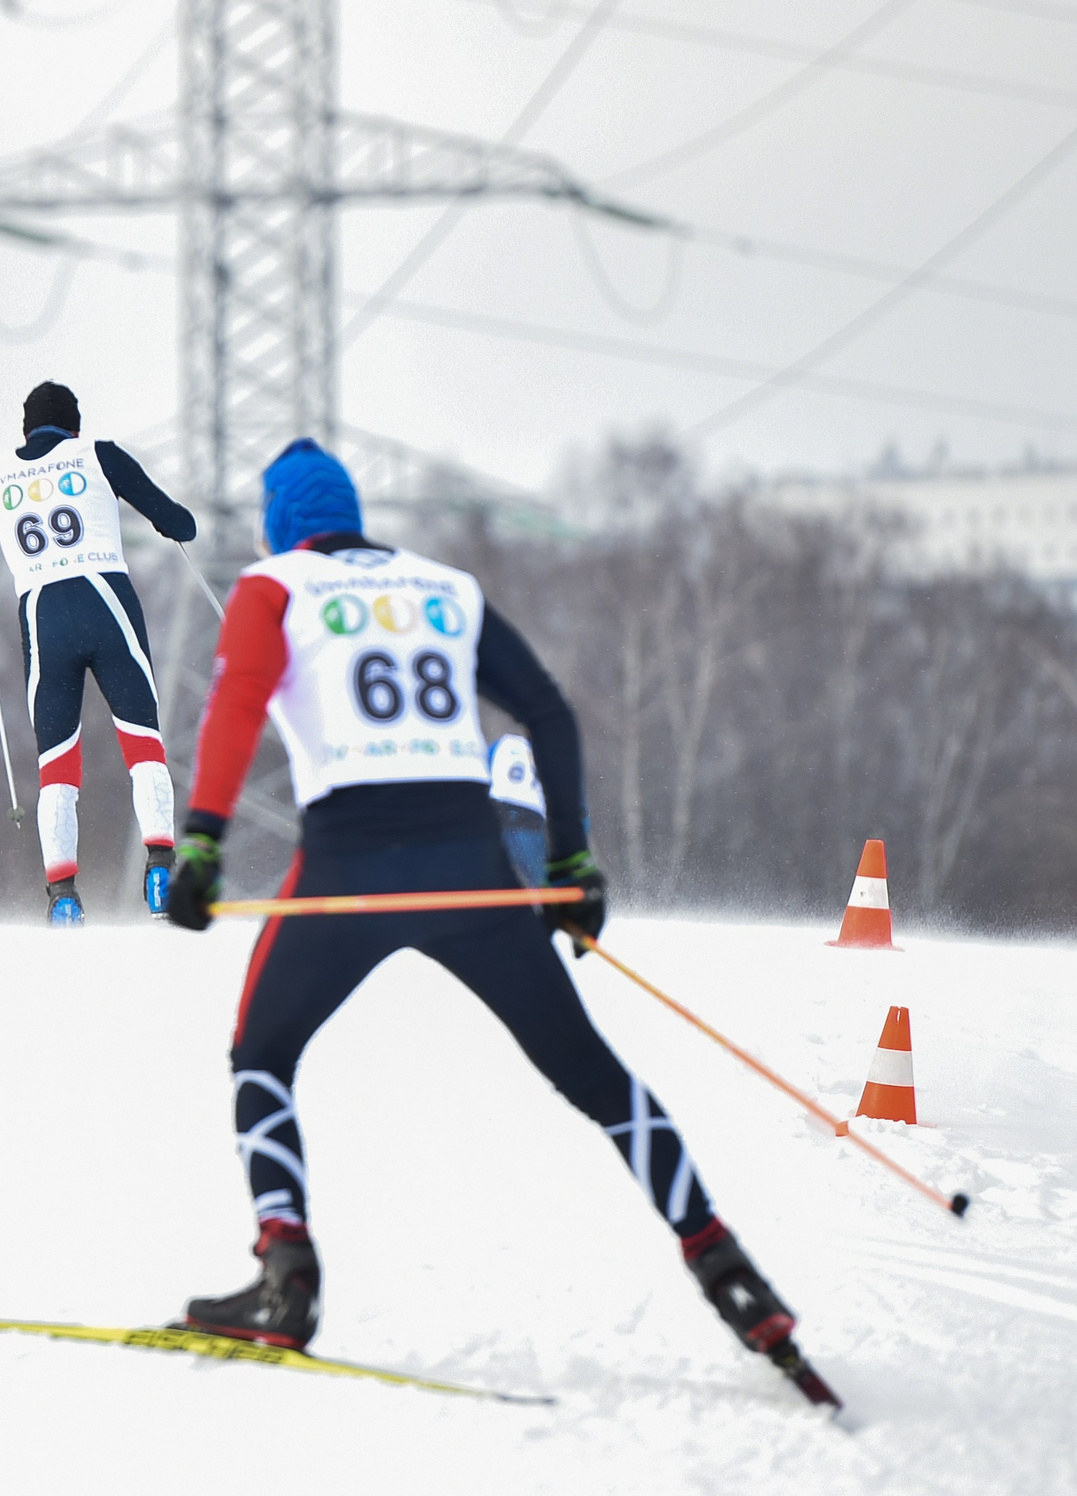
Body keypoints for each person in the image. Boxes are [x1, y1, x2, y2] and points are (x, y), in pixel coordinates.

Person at [161, 438, 808, 1375]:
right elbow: (547, 710)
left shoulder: (273, 587)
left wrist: (203, 841)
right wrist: (572, 861)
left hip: (350, 863)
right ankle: (721, 1261)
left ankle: (285, 1273)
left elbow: (235, 707)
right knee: (594, 1077)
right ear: (352, 512)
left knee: (262, 1056)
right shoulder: (444, 588)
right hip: (471, 861)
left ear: (280, 525)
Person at [0, 381, 197, 924]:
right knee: (143, 745)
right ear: (74, 425)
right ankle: (161, 863)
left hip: (44, 622)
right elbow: (179, 521)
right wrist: (167, 522)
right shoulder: (97, 455)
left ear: (25, 428)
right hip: (107, 607)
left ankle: (62, 896)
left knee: (58, 769)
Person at [487, 732, 549, 888]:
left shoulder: (504, 743)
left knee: (487, 876)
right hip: (528, 818)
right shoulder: (551, 753)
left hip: (496, 812)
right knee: (539, 882)